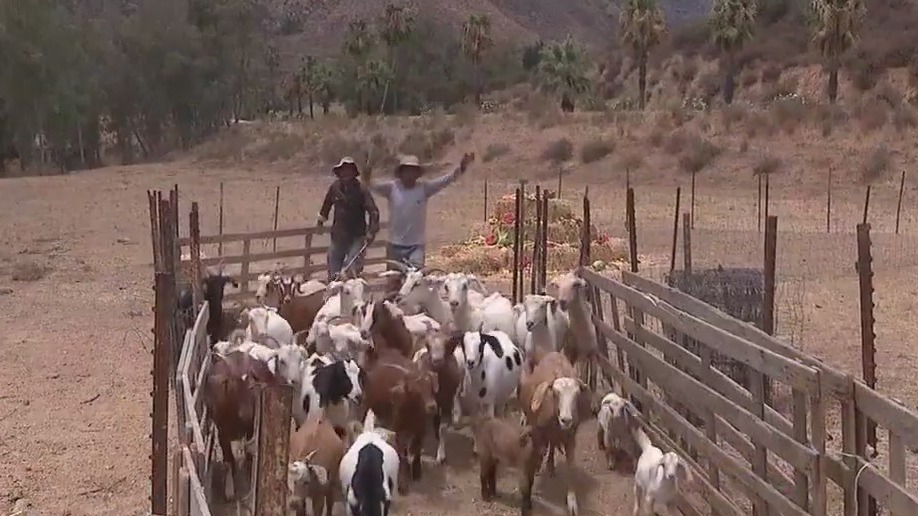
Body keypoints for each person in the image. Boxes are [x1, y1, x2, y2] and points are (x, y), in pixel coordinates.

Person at [369, 152, 475, 268]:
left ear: (417, 173)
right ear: (401, 173)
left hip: (416, 246)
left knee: (416, 279)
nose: (410, 174)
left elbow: (447, 179)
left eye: (413, 170)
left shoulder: (424, 188)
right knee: (393, 281)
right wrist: (366, 172)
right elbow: (370, 185)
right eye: (407, 170)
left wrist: (462, 166)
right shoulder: (391, 188)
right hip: (395, 245)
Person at [318, 156, 380, 280]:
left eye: (349, 170)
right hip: (338, 235)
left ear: (353, 172)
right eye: (343, 170)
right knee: (333, 270)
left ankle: (350, 295)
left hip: (356, 236)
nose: (346, 173)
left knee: (351, 269)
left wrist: (372, 231)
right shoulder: (334, 188)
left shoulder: (361, 190)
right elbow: (326, 206)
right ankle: (334, 293)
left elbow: (373, 211)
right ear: (339, 172)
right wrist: (320, 221)